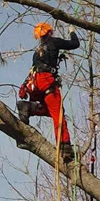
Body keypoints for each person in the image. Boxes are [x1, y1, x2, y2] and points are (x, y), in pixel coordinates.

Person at [17, 22, 80, 164]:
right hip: (47, 83)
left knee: (52, 111)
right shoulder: (54, 42)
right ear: (49, 32)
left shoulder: (37, 50)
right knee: (59, 116)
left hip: (35, 85)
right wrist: (72, 32)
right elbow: (75, 44)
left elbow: (34, 68)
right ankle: (65, 148)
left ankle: (28, 107)